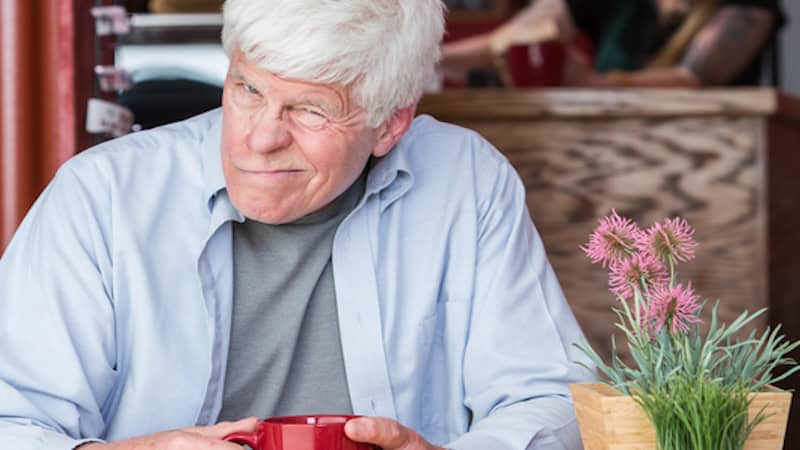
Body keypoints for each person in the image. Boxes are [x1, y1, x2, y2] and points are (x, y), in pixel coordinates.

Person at [0, 1, 593, 449]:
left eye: (310, 110)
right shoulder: (102, 195)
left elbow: (553, 400)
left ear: (390, 125)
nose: (259, 138)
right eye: (247, 89)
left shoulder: (467, 178)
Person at [441, 0, 784, 88]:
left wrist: (595, 84)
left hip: (716, 160)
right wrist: (421, 58)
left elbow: (693, 77)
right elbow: (508, 40)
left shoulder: (747, 6)